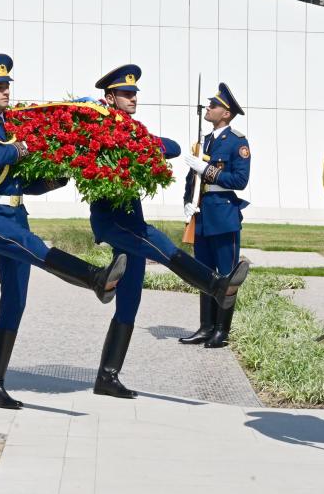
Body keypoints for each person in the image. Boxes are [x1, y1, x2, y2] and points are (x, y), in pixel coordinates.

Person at [0, 54, 128, 410]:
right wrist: (27, 144)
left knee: (15, 303)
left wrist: (57, 176)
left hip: (15, 214)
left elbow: (22, 181)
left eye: (6, 85)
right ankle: (95, 278)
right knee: (36, 249)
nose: (4, 91)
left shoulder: (11, 129)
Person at [88, 65, 250, 399]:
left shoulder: (133, 131)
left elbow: (173, 147)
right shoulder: (99, 129)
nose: (133, 98)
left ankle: (108, 376)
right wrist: (136, 142)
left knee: (130, 301)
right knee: (161, 246)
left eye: (135, 93)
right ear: (109, 97)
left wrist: (140, 142)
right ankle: (215, 285)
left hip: (132, 219)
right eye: (126, 94)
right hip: (115, 221)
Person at [179, 83, 251, 349]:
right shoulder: (204, 141)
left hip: (223, 216)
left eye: (214, 105)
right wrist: (188, 201)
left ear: (227, 113)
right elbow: (191, 178)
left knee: (225, 275)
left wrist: (207, 170)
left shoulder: (237, 142)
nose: (208, 108)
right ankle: (205, 327)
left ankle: (222, 330)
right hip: (202, 215)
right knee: (204, 274)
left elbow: (240, 180)